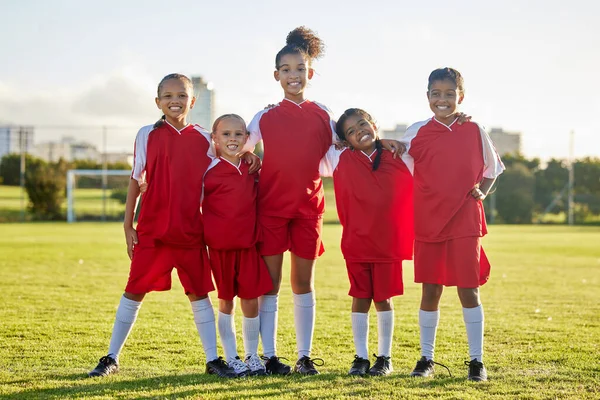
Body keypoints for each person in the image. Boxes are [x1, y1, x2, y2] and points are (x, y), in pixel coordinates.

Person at [88, 74, 241, 379]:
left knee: (199, 295)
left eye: (182, 95)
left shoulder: (206, 140)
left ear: (192, 101)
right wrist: (127, 223)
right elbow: (136, 177)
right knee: (133, 291)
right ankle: (111, 357)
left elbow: (229, 163)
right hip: (153, 231)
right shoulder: (146, 134)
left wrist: (251, 161)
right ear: (157, 102)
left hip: (190, 232)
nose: (175, 101)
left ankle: (213, 360)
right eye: (168, 96)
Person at [402, 67, 505, 381]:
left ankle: (476, 362)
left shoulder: (474, 129)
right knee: (430, 290)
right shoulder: (416, 131)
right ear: (428, 97)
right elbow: (394, 158)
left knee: (468, 291)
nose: (442, 99)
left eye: (449, 94)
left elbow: (493, 168)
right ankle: (426, 359)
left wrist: (481, 193)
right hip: (428, 220)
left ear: (461, 96)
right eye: (436, 94)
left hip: (465, 220)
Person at [320, 108, 414, 376]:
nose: (359, 131)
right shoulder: (338, 157)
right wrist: (336, 140)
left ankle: (384, 357)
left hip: (389, 243)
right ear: (344, 140)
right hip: (356, 241)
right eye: (350, 131)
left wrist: (385, 142)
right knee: (360, 297)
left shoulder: (399, 155)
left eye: (362, 124)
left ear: (373, 124)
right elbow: (314, 136)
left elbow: (422, 142)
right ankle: (360, 357)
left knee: (383, 298)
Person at [203, 114, 273, 377]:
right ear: (215, 139)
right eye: (226, 134)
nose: (232, 139)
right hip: (220, 248)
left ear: (246, 138)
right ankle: (231, 357)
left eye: (238, 134)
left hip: (248, 246)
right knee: (226, 301)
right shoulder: (208, 170)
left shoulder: (253, 167)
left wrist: (252, 156)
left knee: (251, 301)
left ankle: (252, 355)